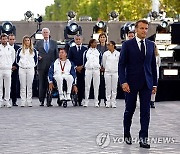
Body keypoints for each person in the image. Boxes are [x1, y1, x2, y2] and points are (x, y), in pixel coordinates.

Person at [118, 19, 157, 148]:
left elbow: (152, 66)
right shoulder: (127, 45)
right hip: (130, 83)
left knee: (145, 112)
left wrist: (155, 84)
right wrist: (123, 82)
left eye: (146, 28)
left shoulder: (151, 45)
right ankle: (127, 133)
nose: (144, 31)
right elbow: (121, 64)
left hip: (147, 83)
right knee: (130, 109)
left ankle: (143, 138)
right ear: (136, 29)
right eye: (142, 28)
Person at [35, 27, 58, 107]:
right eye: (44, 32)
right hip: (41, 66)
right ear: (42, 34)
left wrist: (56, 66)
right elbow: (35, 53)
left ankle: (49, 100)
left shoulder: (54, 43)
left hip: (51, 66)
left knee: (50, 83)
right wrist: (37, 57)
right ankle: (41, 100)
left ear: (49, 33)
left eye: (46, 32)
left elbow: (56, 55)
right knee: (41, 83)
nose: (45, 34)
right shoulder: (38, 43)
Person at [16, 35, 38, 107]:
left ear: (30, 41)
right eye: (25, 40)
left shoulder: (33, 50)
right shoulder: (20, 50)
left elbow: (36, 60)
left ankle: (29, 101)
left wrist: (32, 65)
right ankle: (23, 101)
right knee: (22, 86)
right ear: (23, 42)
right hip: (22, 69)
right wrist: (21, 65)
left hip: (30, 69)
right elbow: (17, 60)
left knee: (29, 86)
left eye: (28, 40)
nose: (27, 42)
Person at [68, 34, 87, 106]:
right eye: (76, 39)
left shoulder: (85, 49)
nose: (78, 41)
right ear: (74, 40)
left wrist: (82, 66)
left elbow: (86, 59)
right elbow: (70, 59)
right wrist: (75, 67)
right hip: (74, 69)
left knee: (82, 84)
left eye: (79, 39)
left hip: (82, 69)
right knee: (75, 83)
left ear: (82, 40)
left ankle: (80, 99)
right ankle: (74, 97)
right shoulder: (71, 49)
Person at [83, 39, 102, 107]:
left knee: (96, 86)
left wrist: (99, 66)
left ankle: (96, 101)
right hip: (88, 69)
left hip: (96, 70)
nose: (96, 44)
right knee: (87, 86)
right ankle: (86, 101)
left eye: (96, 43)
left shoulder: (98, 51)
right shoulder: (86, 51)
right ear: (91, 43)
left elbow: (100, 60)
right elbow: (84, 60)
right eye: (94, 43)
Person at [102, 41, 120, 108]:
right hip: (107, 72)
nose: (108, 46)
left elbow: (119, 63)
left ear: (113, 45)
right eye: (107, 45)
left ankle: (113, 102)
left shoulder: (118, 54)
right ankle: (108, 101)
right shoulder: (105, 54)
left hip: (115, 72)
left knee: (114, 87)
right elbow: (104, 63)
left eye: (109, 45)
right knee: (108, 87)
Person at [0, 33, 15, 108]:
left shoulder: (11, 48)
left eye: (6, 39)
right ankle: (0, 101)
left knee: (7, 86)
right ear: (1, 40)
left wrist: (9, 65)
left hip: (8, 69)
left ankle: (7, 101)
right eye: (3, 39)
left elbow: (13, 58)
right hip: (0, 69)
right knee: (0, 86)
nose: (4, 40)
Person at [8, 34, 20, 106]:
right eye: (10, 39)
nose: (12, 41)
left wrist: (16, 66)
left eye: (13, 39)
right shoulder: (5, 47)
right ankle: (5, 99)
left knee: (14, 85)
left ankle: (14, 101)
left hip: (15, 69)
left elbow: (19, 58)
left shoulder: (18, 48)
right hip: (6, 68)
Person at [97, 33, 108, 105]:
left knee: (106, 84)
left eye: (104, 37)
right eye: (101, 37)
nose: (102, 38)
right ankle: (98, 99)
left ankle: (106, 99)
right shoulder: (97, 47)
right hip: (98, 68)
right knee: (99, 84)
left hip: (107, 68)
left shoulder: (108, 47)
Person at [150, 44, 161, 108]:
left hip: (155, 74)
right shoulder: (148, 54)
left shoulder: (157, 56)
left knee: (154, 88)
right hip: (149, 73)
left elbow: (158, 64)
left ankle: (152, 101)